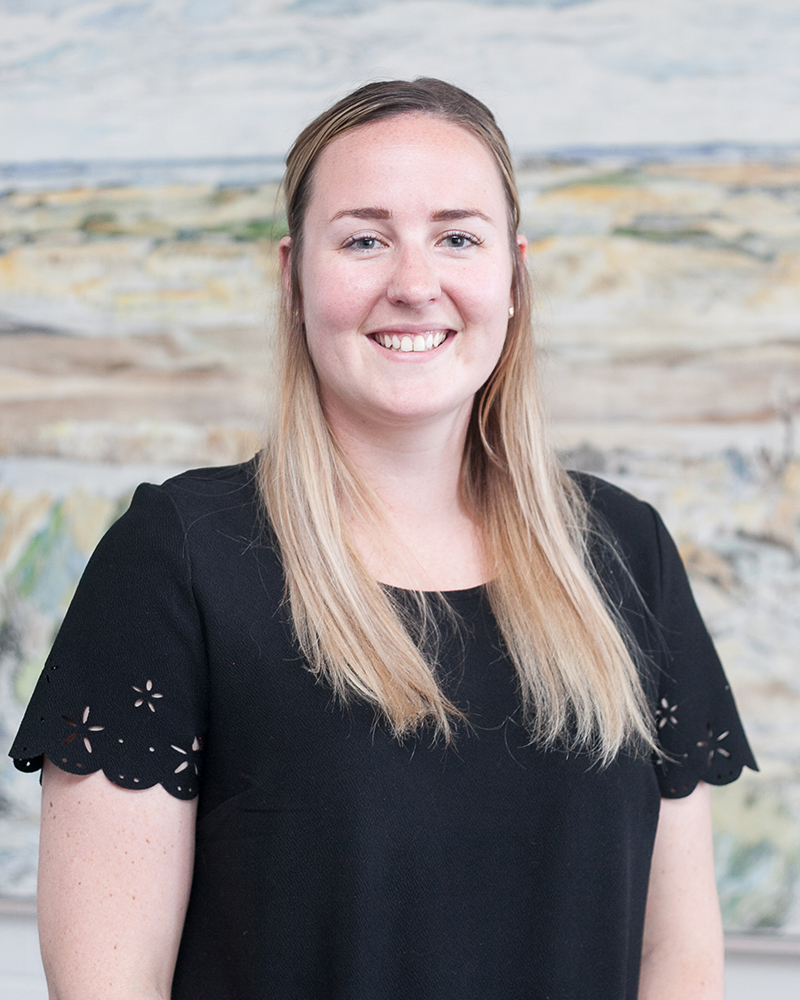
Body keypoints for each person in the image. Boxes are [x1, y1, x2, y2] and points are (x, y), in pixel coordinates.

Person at [9, 78, 756, 1000]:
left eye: (457, 237)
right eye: (364, 239)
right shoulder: (177, 558)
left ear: (513, 276)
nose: (413, 283)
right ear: (291, 275)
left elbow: (674, 959)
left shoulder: (626, 553)